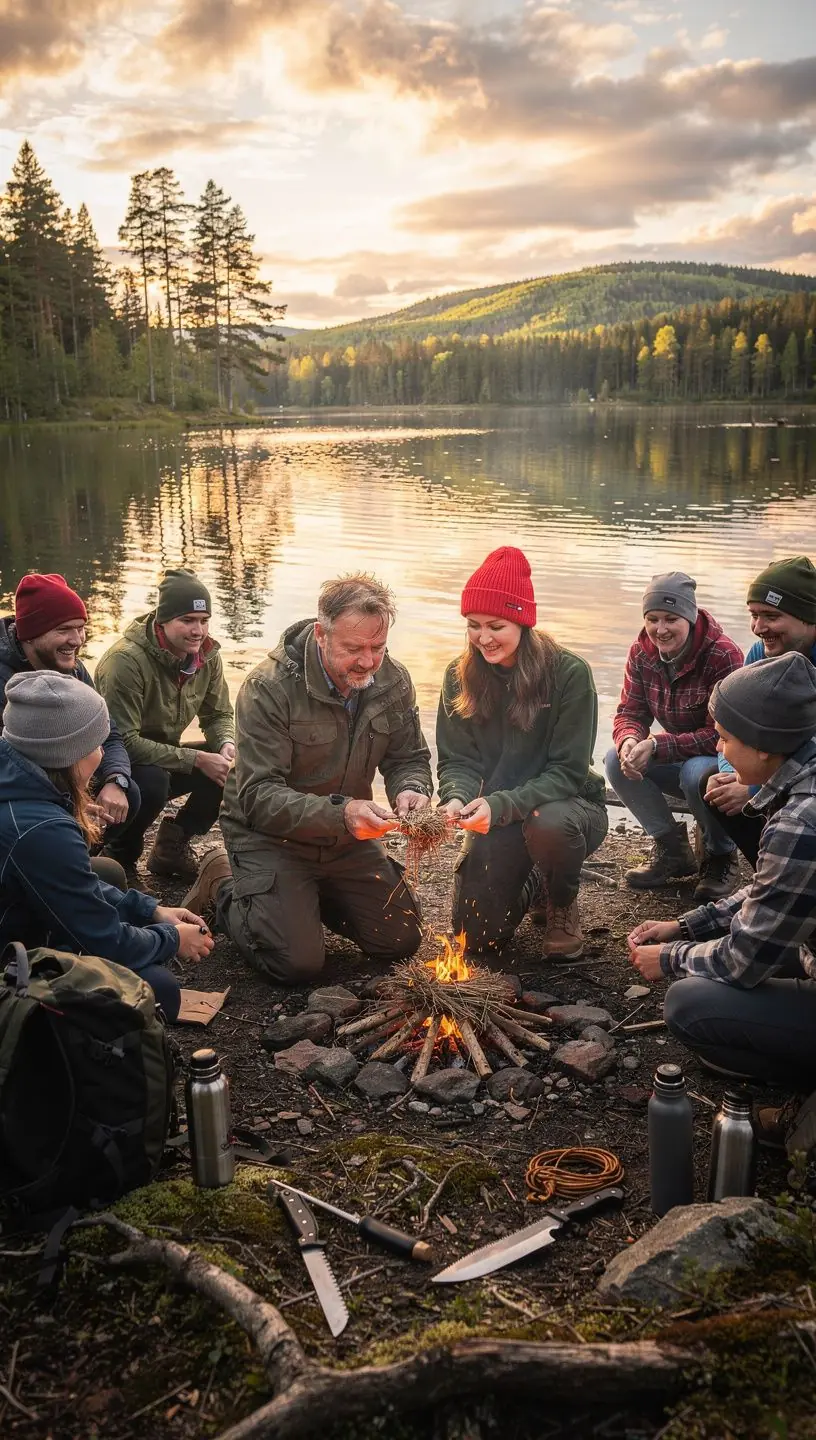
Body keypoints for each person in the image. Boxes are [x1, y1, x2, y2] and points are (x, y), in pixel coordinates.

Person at [183, 573, 433, 985]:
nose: (368, 661)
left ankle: (303, 901)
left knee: (400, 941)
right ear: (321, 634)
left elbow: (409, 757)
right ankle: (223, 883)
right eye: (353, 648)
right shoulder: (268, 687)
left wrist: (412, 788)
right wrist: (344, 814)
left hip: (345, 838)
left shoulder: (394, 680)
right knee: (296, 964)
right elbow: (258, 797)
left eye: (378, 647)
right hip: (270, 835)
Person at [627, 654, 816, 1160]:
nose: (718, 748)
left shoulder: (802, 820)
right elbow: (771, 894)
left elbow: (742, 962)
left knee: (688, 1004)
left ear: (764, 744)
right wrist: (684, 925)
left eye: (726, 738)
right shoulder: (802, 776)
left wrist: (669, 958)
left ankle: (803, 1085)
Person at [0, 672, 214, 1022]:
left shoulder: (19, 781)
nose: (102, 755)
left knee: (109, 874)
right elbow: (104, 940)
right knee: (158, 990)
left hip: (15, 912)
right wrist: (172, 939)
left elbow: (67, 881)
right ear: (67, 751)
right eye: (97, 745)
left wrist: (151, 911)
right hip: (9, 959)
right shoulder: (42, 829)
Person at [436, 546, 608, 961]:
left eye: (496, 626)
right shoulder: (459, 675)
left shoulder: (569, 674)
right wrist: (456, 797)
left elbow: (567, 773)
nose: (484, 638)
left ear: (523, 621)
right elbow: (458, 760)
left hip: (567, 808)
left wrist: (499, 804)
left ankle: (561, 901)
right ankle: (534, 879)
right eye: (474, 625)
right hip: (501, 814)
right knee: (474, 937)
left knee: (549, 823)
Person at [605, 571, 743, 900]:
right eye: (652, 619)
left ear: (690, 618)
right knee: (614, 760)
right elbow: (630, 712)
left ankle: (720, 856)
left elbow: (720, 736)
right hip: (675, 754)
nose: (660, 629)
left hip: (721, 758)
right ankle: (672, 851)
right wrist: (629, 741)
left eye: (671, 619)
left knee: (695, 771)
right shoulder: (641, 652)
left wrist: (656, 745)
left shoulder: (723, 655)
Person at [95, 569, 234, 880]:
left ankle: (171, 848)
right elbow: (123, 741)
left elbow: (218, 714)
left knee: (227, 766)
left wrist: (226, 743)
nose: (198, 631)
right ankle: (119, 858)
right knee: (154, 781)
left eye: (204, 620)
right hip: (112, 766)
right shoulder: (125, 662)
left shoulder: (207, 656)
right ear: (163, 620)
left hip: (163, 757)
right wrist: (196, 759)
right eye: (187, 620)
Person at [0, 573, 140, 863]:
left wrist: (116, 779)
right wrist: (65, 802)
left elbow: (108, 732)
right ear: (30, 633)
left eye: (81, 628)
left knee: (132, 791)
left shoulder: (72, 668)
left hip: (60, 778)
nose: (77, 640)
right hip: (19, 794)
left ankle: (81, 860)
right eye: (64, 629)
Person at [704, 555, 816, 869]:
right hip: (785, 767)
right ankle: (769, 872)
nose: (758, 627)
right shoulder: (761, 653)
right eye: (754, 615)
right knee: (714, 785)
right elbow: (736, 724)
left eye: (771, 616)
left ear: (808, 617)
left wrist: (756, 788)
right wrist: (738, 776)